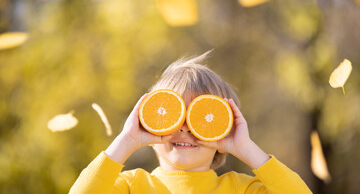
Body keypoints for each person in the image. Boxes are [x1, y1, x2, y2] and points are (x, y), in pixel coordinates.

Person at [69, 51, 313, 193]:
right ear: (150, 124)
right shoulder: (132, 186)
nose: (184, 128)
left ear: (224, 129)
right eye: (172, 117)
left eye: (200, 119)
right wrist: (127, 140)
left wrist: (245, 147)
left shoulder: (242, 189)